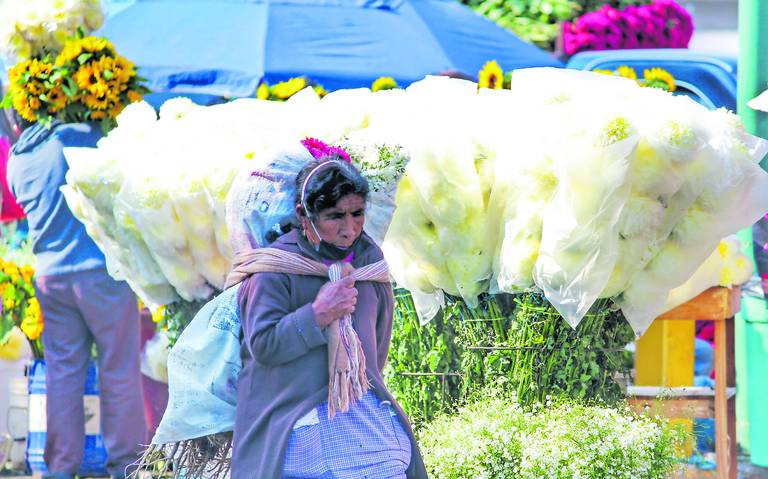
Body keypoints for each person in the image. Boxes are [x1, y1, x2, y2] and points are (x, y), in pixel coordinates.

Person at [231, 158, 428, 478]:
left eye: (357, 213)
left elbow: (378, 342)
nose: (349, 229)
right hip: (292, 417)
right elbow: (263, 345)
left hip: (359, 410)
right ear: (303, 216)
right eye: (335, 216)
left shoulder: (369, 261)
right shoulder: (274, 268)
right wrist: (317, 315)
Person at [6, 116, 147, 479]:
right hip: (99, 273)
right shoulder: (82, 136)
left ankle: (60, 468)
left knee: (62, 373)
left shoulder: (18, 160)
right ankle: (125, 465)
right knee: (118, 371)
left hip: (51, 277)